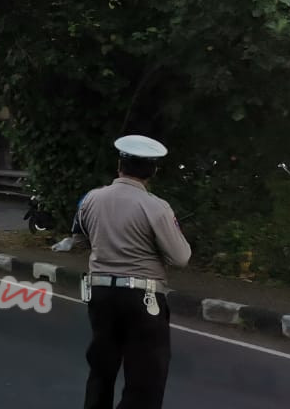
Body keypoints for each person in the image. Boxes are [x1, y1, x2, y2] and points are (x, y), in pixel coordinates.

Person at [76, 135, 191, 409]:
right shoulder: (156, 207)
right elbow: (181, 257)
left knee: (101, 372)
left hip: (100, 294)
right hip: (143, 299)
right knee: (145, 380)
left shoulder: (91, 199)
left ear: (120, 165)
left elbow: (83, 232)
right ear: (152, 171)